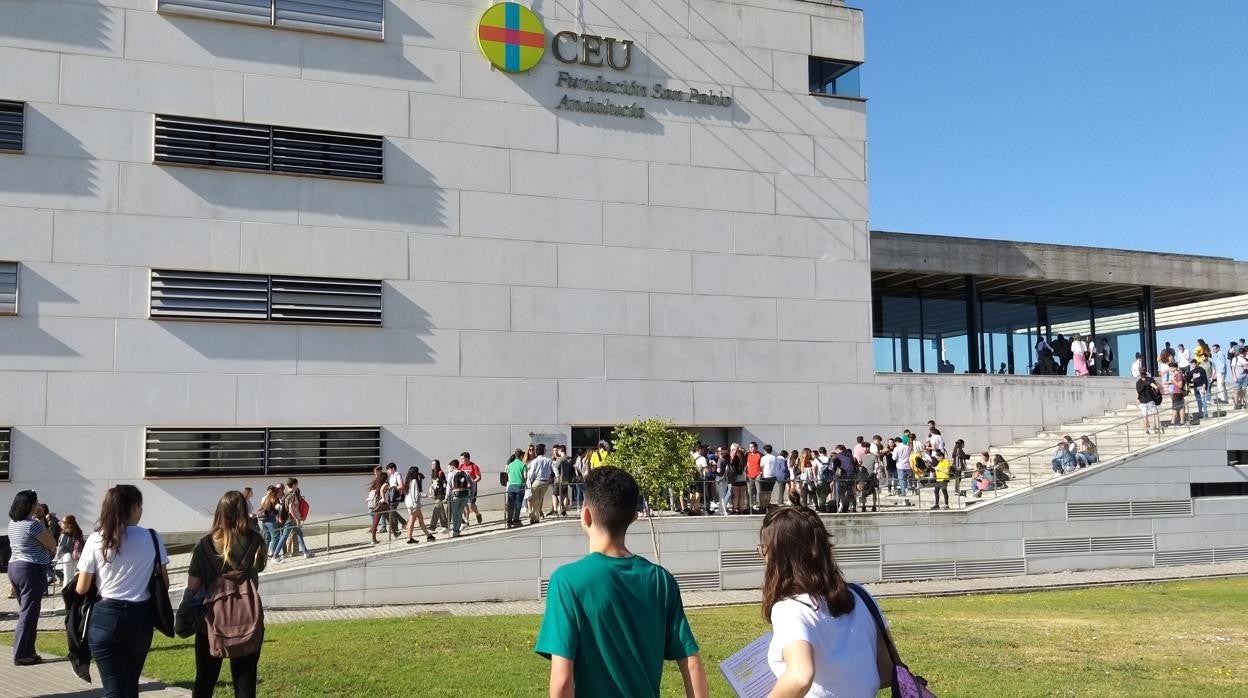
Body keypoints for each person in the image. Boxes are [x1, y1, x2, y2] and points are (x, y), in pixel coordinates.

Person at [534, 466, 709, 698]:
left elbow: (562, 680)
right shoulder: (661, 580)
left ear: (585, 515)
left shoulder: (566, 581)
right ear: (634, 517)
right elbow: (691, 662)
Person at [759, 506, 892, 697]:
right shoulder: (861, 596)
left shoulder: (789, 609)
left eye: (763, 549)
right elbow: (886, 671)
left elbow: (800, 677)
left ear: (778, 556)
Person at [77, 485, 169, 696]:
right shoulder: (152, 537)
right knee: (130, 684)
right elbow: (165, 582)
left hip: (105, 617)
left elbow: (82, 587)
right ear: (134, 507)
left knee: (113, 688)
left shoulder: (96, 539)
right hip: (140, 617)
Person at [187, 491, 266, 698]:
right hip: (248, 618)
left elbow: (193, 585)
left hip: (211, 621)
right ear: (244, 512)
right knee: (245, 681)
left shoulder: (204, 545)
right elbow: (261, 566)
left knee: (205, 679)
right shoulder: (256, 541)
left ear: (220, 512)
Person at [7, 491, 56, 666]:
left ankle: (29, 651)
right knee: (28, 614)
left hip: (14, 567)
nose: (38, 506)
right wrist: (42, 519)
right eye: (36, 503)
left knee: (28, 612)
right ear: (31, 505)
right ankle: (21, 654)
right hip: (31, 569)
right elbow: (52, 543)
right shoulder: (32, 525)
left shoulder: (13, 523)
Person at [273, 478, 313, 561]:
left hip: (290, 520)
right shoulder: (292, 495)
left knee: (299, 534)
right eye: (297, 484)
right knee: (284, 537)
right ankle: (275, 556)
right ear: (294, 485)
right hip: (291, 520)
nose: (297, 486)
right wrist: (297, 519)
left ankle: (306, 552)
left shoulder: (287, 495)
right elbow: (291, 509)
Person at [403, 466, 435, 544]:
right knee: (412, 521)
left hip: (409, 503)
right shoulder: (414, 481)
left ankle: (428, 535)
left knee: (420, 519)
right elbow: (416, 495)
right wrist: (426, 496)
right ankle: (409, 538)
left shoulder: (408, 481)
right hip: (414, 504)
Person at [55, 514, 85, 590]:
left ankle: (66, 594)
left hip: (67, 556)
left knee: (66, 577)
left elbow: (61, 547)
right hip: (76, 556)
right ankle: (71, 593)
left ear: (68, 523)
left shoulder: (64, 533)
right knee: (72, 576)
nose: (61, 523)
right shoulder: (78, 532)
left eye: (63, 522)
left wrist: (56, 557)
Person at [527, 444, 555, 524]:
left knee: (536, 501)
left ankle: (533, 517)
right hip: (545, 483)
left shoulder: (534, 461)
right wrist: (557, 476)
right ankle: (535, 516)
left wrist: (531, 481)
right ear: (544, 452)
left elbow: (531, 473)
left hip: (536, 481)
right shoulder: (548, 460)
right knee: (539, 500)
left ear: (536, 452)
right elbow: (554, 469)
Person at [448, 459, 474, 537]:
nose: (448, 469)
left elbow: (448, 487)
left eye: (449, 467)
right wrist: (471, 494)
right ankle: (457, 530)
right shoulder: (465, 473)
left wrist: (446, 497)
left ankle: (454, 531)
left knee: (454, 514)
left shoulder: (451, 474)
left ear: (452, 466)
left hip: (455, 496)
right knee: (460, 514)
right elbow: (472, 483)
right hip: (464, 496)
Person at [459, 452, 484, 525]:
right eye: (461, 459)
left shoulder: (474, 466)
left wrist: (473, 482)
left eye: (463, 459)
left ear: (468, 458)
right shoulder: (461, 466)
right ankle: (467, 520)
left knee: (471, 505)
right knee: (464, 504)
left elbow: (479, 477)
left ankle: (477, 513)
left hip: (472, 489)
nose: (462, 460)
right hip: (464, 489)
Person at [254, 486, 281, 553]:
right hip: (271, 520)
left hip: (263, 519)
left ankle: (264, 553)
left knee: (266, 538)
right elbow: (277, 507)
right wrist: (280, 506)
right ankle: (272, 552)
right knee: (275, 537)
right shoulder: (274, 498)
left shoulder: (264, 498)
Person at [505, 449, 526, 528]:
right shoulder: (523, 464)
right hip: (520, 486)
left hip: (511, 486)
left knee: (510, 504)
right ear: (521, 456)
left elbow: (506, 474)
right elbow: (525, 476)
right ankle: (516, 520)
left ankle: (509, 521)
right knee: (518, 503)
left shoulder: (510, 465)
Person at [427, 461, 450, 533]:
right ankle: (445, 526)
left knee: (436, 508)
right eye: (432, 464)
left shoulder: (440, 473)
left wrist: (445, 495)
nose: (433, 465)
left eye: (434, 464)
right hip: (436, 494)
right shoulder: (432, 474)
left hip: (441, 494)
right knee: (441, 511)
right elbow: (433, 483)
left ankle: (433, 526)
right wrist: (431, 489)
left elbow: (444, 483)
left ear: (437, 465)